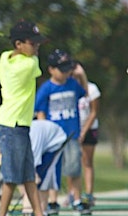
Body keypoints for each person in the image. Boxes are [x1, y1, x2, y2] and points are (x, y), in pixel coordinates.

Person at [0, 20, 47, 216]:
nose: (37, 47)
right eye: (32, 43)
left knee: (28, 176)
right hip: (13, 125)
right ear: (18, 44)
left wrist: (19, 47)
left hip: (18, 125)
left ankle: (38, 213)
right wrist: (28, 51)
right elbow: (34, 62)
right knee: (11, 178)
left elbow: (10, 54)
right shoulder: (28, 65)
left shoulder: (4, 58)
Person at [34, 49, 88, 215]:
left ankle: (77, 199)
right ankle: (52, 200)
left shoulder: (72, 84)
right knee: (52, 170)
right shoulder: (46, 88)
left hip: (71, 134)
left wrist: (82, 75)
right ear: (51, 69)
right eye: (61, 69)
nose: (65, 73)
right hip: (54, 138)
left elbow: (85, 93)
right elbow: (40, 112)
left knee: (74, 168)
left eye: (67, 69)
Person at [19, 119, 68, 215]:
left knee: (44, 177)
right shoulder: (18, 139)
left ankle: (42, 210)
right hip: (44, 140)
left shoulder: (33, 138)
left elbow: (33, 164)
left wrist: (34, 175)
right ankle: (29, 209)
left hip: (55, 141)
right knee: (31, 177)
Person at [74, 63, 101, 206]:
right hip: (74, 128)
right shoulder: (69, 86)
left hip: (90, 128)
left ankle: (89, 193)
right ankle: (73, 193)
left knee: (87, 160)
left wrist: (83, 131)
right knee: (72, 162)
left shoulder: (92, 89)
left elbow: (94, 112)